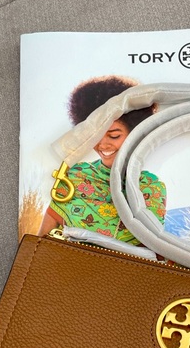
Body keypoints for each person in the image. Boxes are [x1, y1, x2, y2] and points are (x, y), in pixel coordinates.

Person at [38, 75, 166, 245]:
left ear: (135, 134)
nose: (103, 145)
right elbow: (41, 241)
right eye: (95, 136)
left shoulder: (151, 187)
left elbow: (151, 247)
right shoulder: (76, 176)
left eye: (114, 136)